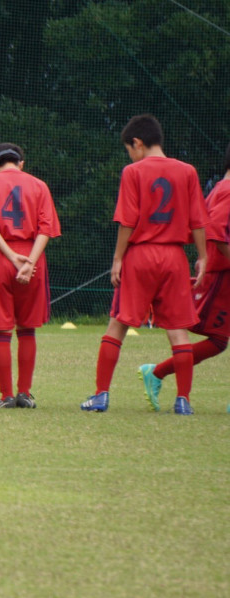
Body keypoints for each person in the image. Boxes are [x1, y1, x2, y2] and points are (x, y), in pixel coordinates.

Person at [80, 114, 207, 415]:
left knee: (118, 324)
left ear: (137, 143)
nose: (130, 155)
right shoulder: (187, 171)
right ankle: (183, 400)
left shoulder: (133, 172)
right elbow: (198, 220)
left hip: (140, 254)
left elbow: (127, 219)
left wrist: (118, 259)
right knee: (178, 331)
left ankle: (101, 395)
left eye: (129, 149)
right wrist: (202, 257)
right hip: (175, 256)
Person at [138, 142, 230, 411]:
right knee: (214, 338)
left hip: (218, 273)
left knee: (217, 339)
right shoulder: (227, 190)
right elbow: (213, 230)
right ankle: (157, 373)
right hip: (221, 276)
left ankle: (157, 372)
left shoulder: (220, 189)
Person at [0, 143, 61, 409]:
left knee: (1, 331)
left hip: (1, 258)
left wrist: (12, 258)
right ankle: (24, 393)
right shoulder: (39, 185)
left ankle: (5, 396)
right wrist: (29, 262)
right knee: (27, 329)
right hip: (33, 258)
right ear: (21, 163)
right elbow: (46, 229)